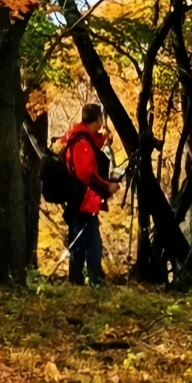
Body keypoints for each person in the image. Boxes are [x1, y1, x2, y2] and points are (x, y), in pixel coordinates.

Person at [60, 103, 121, 286]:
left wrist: (105, 139)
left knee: (80, 241)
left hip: (79, 199)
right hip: (83, 200)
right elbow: (86, 174)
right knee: (92, 243)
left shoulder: (80, 138)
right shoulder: (81, 142)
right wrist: (108, 186)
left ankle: (77, 282)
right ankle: (96, 281)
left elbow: (94, 143)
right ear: (98, 119)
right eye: (101, 118)